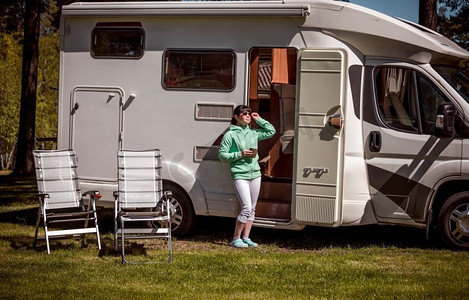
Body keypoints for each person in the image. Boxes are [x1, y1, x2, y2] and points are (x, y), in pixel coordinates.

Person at [218, 105, 276, 248]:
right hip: (240, 175)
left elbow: (271, 131)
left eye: (249, 114)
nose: (248, 116)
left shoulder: (253, 133)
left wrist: (260, 119)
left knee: (252, 208)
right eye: (244, 114)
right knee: (246, 207)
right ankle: (235, 238)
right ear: (236, 117)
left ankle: (246, 237)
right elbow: (222, 155)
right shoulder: (230, 135)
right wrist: (240, 154)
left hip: (255, 174)